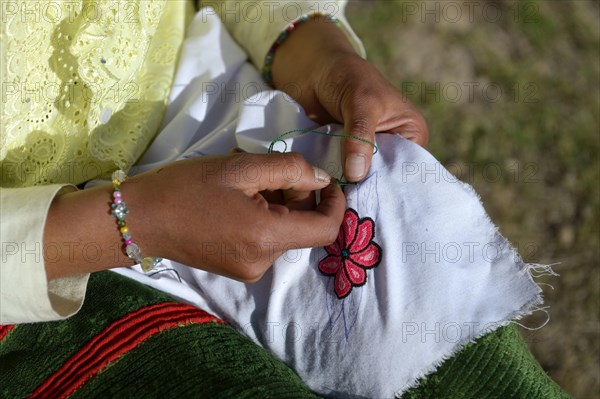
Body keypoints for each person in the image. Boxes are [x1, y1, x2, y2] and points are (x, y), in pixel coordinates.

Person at [0, 1, 568, 398]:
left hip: (210, 92)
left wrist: (320, 54)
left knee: (433, 297)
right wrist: (129, 223)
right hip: (29, 265)